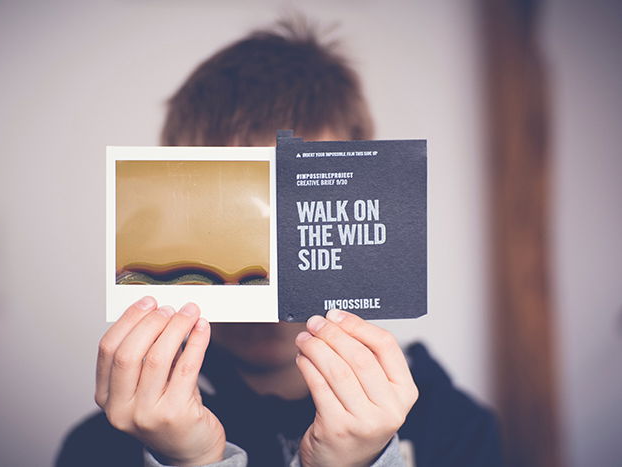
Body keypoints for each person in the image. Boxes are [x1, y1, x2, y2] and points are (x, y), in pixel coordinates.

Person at [56, 20, 503, 467]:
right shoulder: (102, 445)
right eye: (225, 215)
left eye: (301, 201)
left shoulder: (455, 428)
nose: (268, 269)